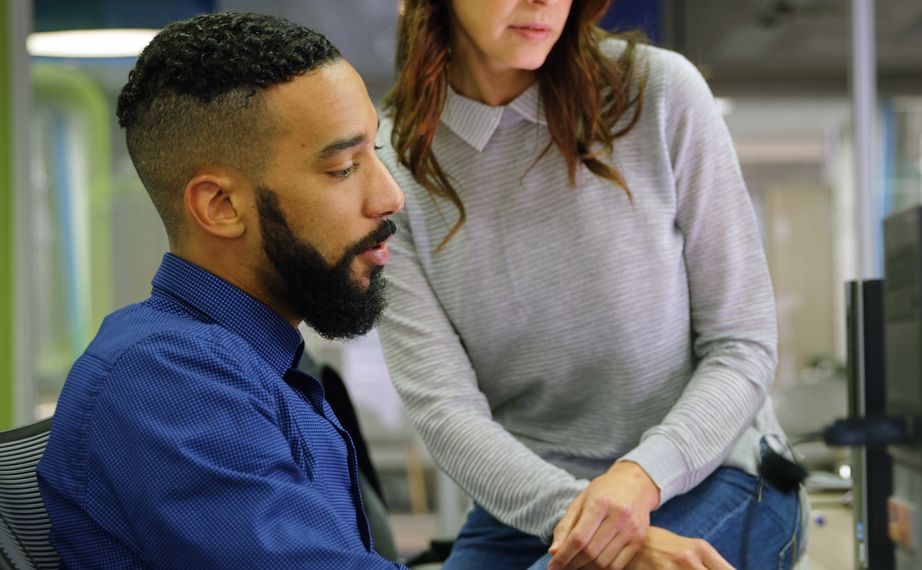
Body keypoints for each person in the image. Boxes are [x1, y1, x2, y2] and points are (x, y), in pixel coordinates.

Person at [376, 1, 804, 569]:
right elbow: (446, 411)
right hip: (535, 506)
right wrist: (598, 520)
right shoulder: (391, 166)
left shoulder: (658, 91)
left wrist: (640, 478)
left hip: (717, 472)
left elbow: (743, 343)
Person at [36, 12, 406, 569]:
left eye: (375, 153)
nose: (390, 197)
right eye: (342, 169)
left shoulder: (253, 365)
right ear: (221, 207)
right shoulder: (167, 380)